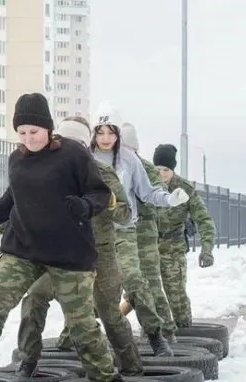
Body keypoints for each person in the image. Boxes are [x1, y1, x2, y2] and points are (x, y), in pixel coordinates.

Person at [0, 94, 123, 382]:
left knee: (81, 326)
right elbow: (11, 198)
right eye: (21, 133)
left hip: (69, 254)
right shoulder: (17, 159)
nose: (28, 139)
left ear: (48, 128)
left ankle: (106, 379)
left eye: (33, 131)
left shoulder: (73, 154)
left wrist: (85, 206)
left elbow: (100, 193)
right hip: (22, 249)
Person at [16, 116, 144, 376]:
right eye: (64, 141)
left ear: (85, 146)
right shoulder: (47, 171)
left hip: (100, 255)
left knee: (109, 314)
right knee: (35, 297)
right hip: (65, 255)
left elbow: (126, 214)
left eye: (76, 143)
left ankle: (131, 367)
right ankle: (28, 361)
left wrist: (106, 202)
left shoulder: (102, 173)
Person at [90, 103, 189, 357]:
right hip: (92, 233)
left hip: (124, 231)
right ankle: (81, 340)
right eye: (100, 132)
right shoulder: (84, 159)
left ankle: (155, 335)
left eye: (111, 132)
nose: (105, 138)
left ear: (117, 133)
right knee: (87, 288)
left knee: (134, 280)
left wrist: (169, 199)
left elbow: (148, 192)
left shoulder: (128, 159)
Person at [117, 123, 180, 341]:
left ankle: (165, 330)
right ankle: (148, 327)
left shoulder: (143, 167)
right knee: (128, 283)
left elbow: (158, 193)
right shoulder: (110, 165)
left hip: (143, 231)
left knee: (150, 281)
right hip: (118, 231)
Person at [152, 143, 217, 329]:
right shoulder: (146, 184)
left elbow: (204, 220)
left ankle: (184, 332)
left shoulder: (184, 189)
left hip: (172, 248)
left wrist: (207, 249)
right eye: (158, 169)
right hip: (147, 246)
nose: (161, 174)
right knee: (146, 294)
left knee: (176, 294)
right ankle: (152, 333)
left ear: (172, 169)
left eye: (166, 170)